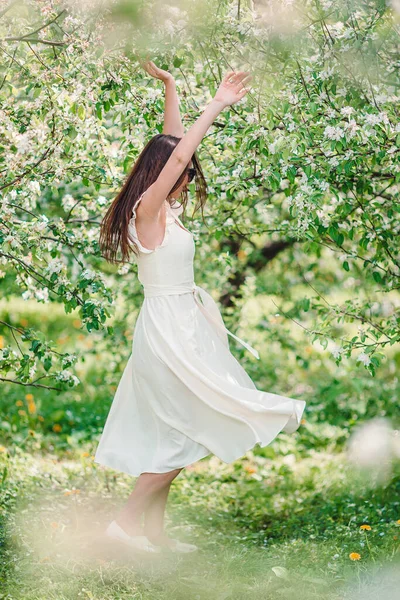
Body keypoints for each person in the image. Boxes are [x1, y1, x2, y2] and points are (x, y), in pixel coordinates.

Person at [94, 61, 306, 554]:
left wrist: (170, 88)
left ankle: (153, 534)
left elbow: (172, 145)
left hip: (184, 325)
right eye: (182, 173)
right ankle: (124, 526)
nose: (188, 178)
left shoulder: (161, 208)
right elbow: (175, 157)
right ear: (162, 176)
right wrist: (215, 104)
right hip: (168, 331)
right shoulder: (147, 209)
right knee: (187, 430)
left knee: (178, 427)